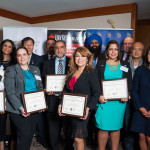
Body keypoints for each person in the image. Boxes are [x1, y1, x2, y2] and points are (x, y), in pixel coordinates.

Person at [58, 47, 101, 150]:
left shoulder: (91, 72)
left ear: (87, 59)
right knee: (70, 136)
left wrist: (88, 108)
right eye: (77, 56)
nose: (80, 58)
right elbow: (66, 90)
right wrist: (60, 104)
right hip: (70, 109)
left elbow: (96, 93)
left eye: (83, 56)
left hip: (83, 110)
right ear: (74, 58)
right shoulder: (72, 72)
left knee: (78, 137)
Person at [95, 40, 132, 150]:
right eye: (110, 49)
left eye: (116, 49)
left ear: (119, 51)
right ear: (107, 51)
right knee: (103, 128)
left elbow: (129, 83)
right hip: (104, 101)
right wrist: (98, 97)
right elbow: (96, 82)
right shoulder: (101, 63)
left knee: (116, 128)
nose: (113, 52)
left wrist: (127, 94)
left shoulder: (125, 64)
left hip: (119, 103)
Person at [4, 46, 43, 150]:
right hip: (18, 110)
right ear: (16, 57)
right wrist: (21, 107)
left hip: (34, 108)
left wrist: (41, 103)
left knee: (29, 136)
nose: (22, 57)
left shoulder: (35, 69)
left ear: (28, 55)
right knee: (24, 136)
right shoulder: (11, 70)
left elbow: (40, 87)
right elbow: (10, 92)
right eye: (19, 55)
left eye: (24, 54)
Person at [42, 40, 71, 150]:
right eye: (57, 47)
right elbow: (43, 82)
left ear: (65, 48)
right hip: (52, 99)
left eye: (61, 47)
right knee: (53, 130)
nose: (59, 49)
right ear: (54, 49)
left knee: (68, 129)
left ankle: (68, 147)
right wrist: (46, 89)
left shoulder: (72, 62)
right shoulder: (46, 64)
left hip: (68, 99)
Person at [22, 37, 47, 147]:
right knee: (24, 117)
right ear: (23, 46)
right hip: (23, 93)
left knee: (39, 118)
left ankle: (42, 138)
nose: (29, 47)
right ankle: (27, 139)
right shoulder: (19, 58)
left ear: (33, 46)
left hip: (37, 93)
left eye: (31, 44)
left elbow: (43, 76)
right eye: (26, 45)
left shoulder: (40, 59)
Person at [123, 42, 144, 150]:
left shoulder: (146, 66)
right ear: (131, 50)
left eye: (139, 49)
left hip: (141, 101)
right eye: (134, 49)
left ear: (143, 52)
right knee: (128, 125)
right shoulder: (124, 64)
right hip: (127, 100)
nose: (136, 51)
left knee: (140, 127)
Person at [130, 46, 150, 150]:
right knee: (141, 136)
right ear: (147, 56)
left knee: (149, 138)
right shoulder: (140, 70)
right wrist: (140, 107)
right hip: (140, 108)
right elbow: (134, 91)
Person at [0, 39, 16, 150]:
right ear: (1, 47)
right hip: (0, 97)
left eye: (9, 46)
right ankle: (1, 146)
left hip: (12, 95)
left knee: (14, 122)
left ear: (12, 49)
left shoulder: (15, 62)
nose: (7, 48)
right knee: (1, 122)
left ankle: (12, 146)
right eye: (5, 45)